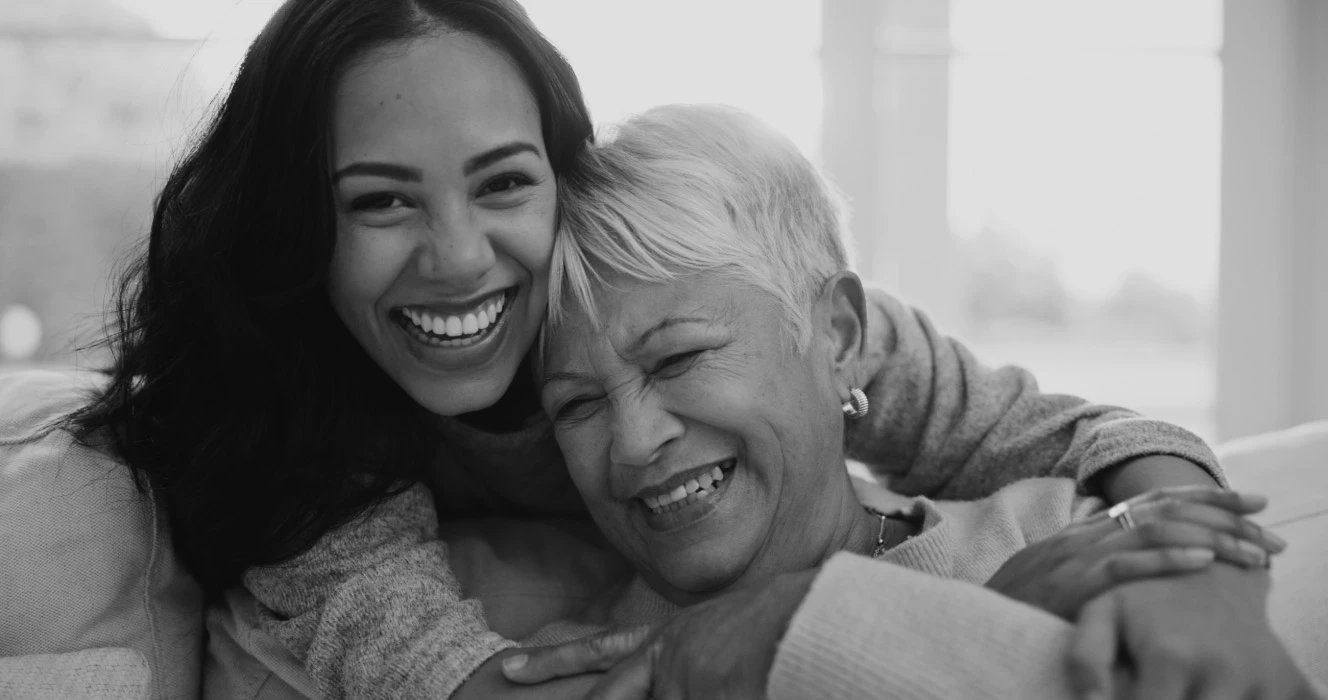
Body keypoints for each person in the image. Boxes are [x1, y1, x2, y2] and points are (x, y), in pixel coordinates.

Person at [0, 0, 1231, 697]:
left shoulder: (665, 294)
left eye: (501, 183)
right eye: (379, 201)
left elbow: (1094, 434)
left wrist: (1190, 562)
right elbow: (465, 681)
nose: (456, 257)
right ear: (300, 226)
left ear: (559, 174)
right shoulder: (309, 443)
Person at [507, 103, 1317, 700]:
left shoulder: (1070, 543)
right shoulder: (563, 675)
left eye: (679, 356)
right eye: (577, 406)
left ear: (838, 335)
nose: (633, 441)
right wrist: (988, 621)